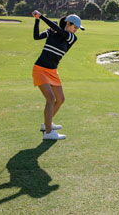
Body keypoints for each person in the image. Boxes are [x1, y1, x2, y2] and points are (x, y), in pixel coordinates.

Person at [32, 10, 84, 140]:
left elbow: (59, 30)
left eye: (78, 28)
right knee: (50, 99)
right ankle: (48, 133)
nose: (76, 30)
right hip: (40, 69)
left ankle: (46, 124)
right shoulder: (53, 31)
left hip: (52, 71)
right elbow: (36, 36)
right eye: (75, 27)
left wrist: (42, 16)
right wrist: (37, 20)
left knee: (60, 99)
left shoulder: (72, 37)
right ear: (68, 23)